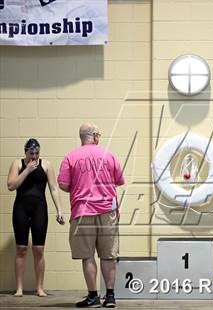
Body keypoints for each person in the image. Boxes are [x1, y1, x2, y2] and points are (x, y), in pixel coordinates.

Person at [58, 123, 125, 308]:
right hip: (107, 211)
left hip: (82, 212)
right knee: (108, 255)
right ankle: (110, 297)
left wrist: (79, 185)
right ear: (94, 136)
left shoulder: (70, 157)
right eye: (99, 135)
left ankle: (93, 297)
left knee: (88, 256)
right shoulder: (109, 155)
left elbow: (63, 184)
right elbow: (119, 180)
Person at [7, 138, 65, 297]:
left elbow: (54, 188)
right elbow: (11, 186)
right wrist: (26, 171)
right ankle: (19, 288)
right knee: (21, 248)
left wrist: (59, 210)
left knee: (39, 249)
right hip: (21, 208)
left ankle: (40, 287)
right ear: (25, 152)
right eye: (31, 153)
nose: (34, 156)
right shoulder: (17, 164)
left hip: (40, 208)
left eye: (37, 153)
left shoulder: (46, 165)